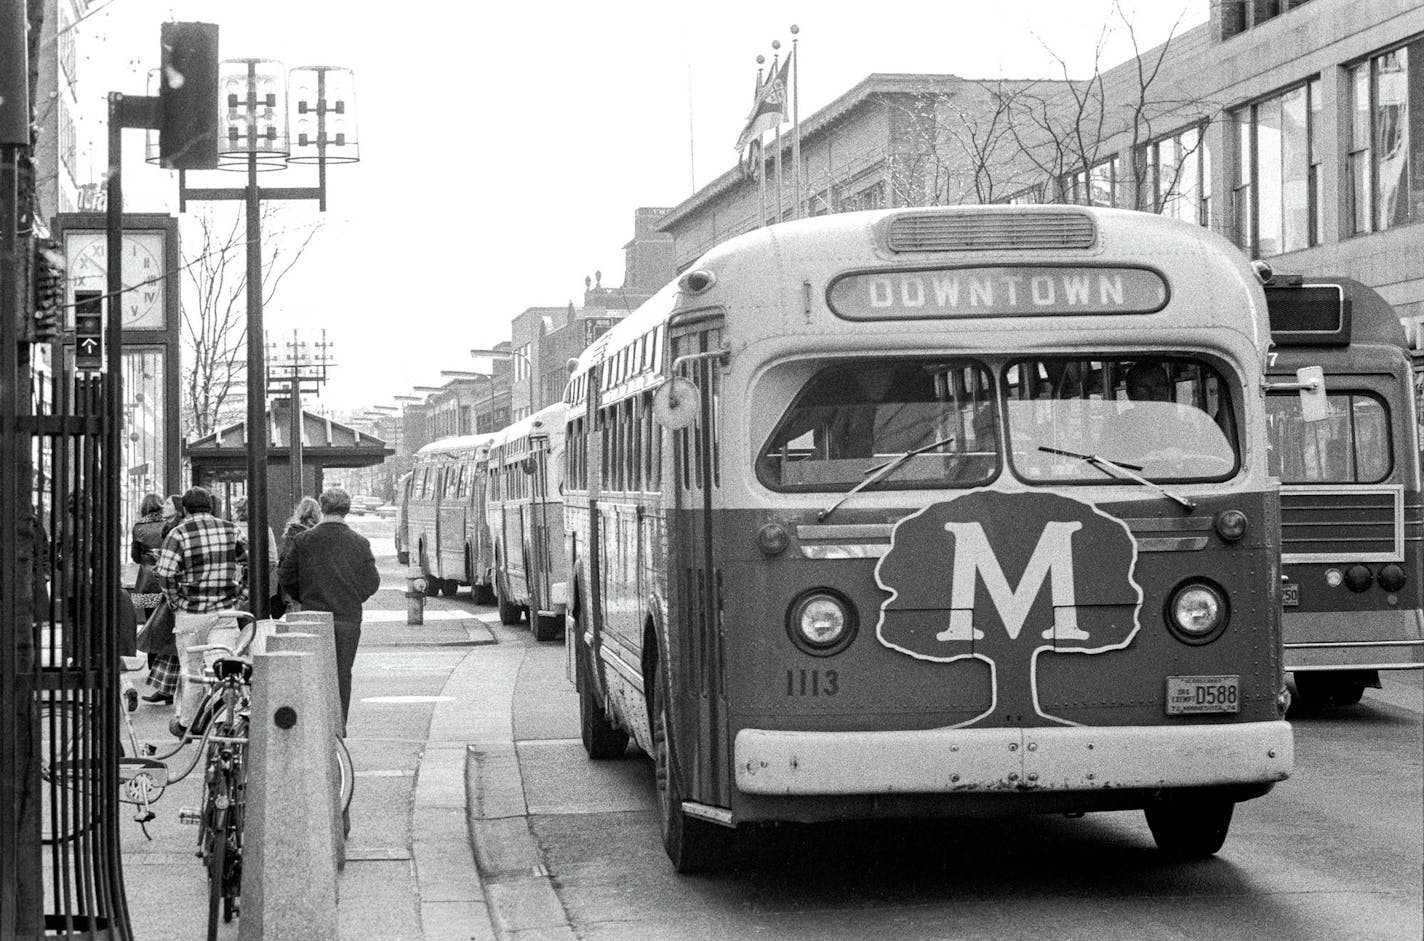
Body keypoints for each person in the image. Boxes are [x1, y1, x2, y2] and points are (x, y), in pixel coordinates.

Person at [278, 487, 380, 723]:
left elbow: (286, 575)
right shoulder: (359, 543)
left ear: (322, 508)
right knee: (342, 674)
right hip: (347, 617)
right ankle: (338, 724)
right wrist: (354, 596)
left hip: (313, 616)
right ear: (348, 509)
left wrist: (304, 596)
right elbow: (371, 581)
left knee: (312, 674)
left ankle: (314, 724)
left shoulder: (304, 540)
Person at [143, 486, 243, 706]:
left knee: (191, 670)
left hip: (190, 612)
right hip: (225, 611)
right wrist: (240, 590)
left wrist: (175, 600)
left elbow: (165, 573)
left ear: (186, 509)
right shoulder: (231, 529)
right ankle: (222, 717)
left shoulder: (178, 533)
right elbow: (247, 561)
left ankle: (188, 723)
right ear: (211, 507)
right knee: (221, 665)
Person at [130, 493, 166, 624]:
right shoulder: (169, 524)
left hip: (147, 576)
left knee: (149, 617)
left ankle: (151, 642)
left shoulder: (139, 526)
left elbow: (135, 556)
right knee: (166, 614)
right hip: (166, 574)